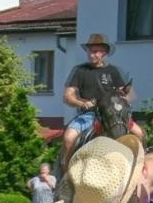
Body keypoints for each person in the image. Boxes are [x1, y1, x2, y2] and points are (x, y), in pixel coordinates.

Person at [60, 33, 146, 168]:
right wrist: (82, 103)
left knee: (139, 133)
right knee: (69, 137)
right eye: (90, 51)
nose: (91, 55)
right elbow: (67, 96)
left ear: (104, 52)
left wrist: (122, 97)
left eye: (95, 52)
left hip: (113, 114)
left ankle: (139, 167)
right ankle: (66, 171)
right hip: (89, 114)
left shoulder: (114, 71)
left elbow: (131, 96)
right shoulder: (80, 70)